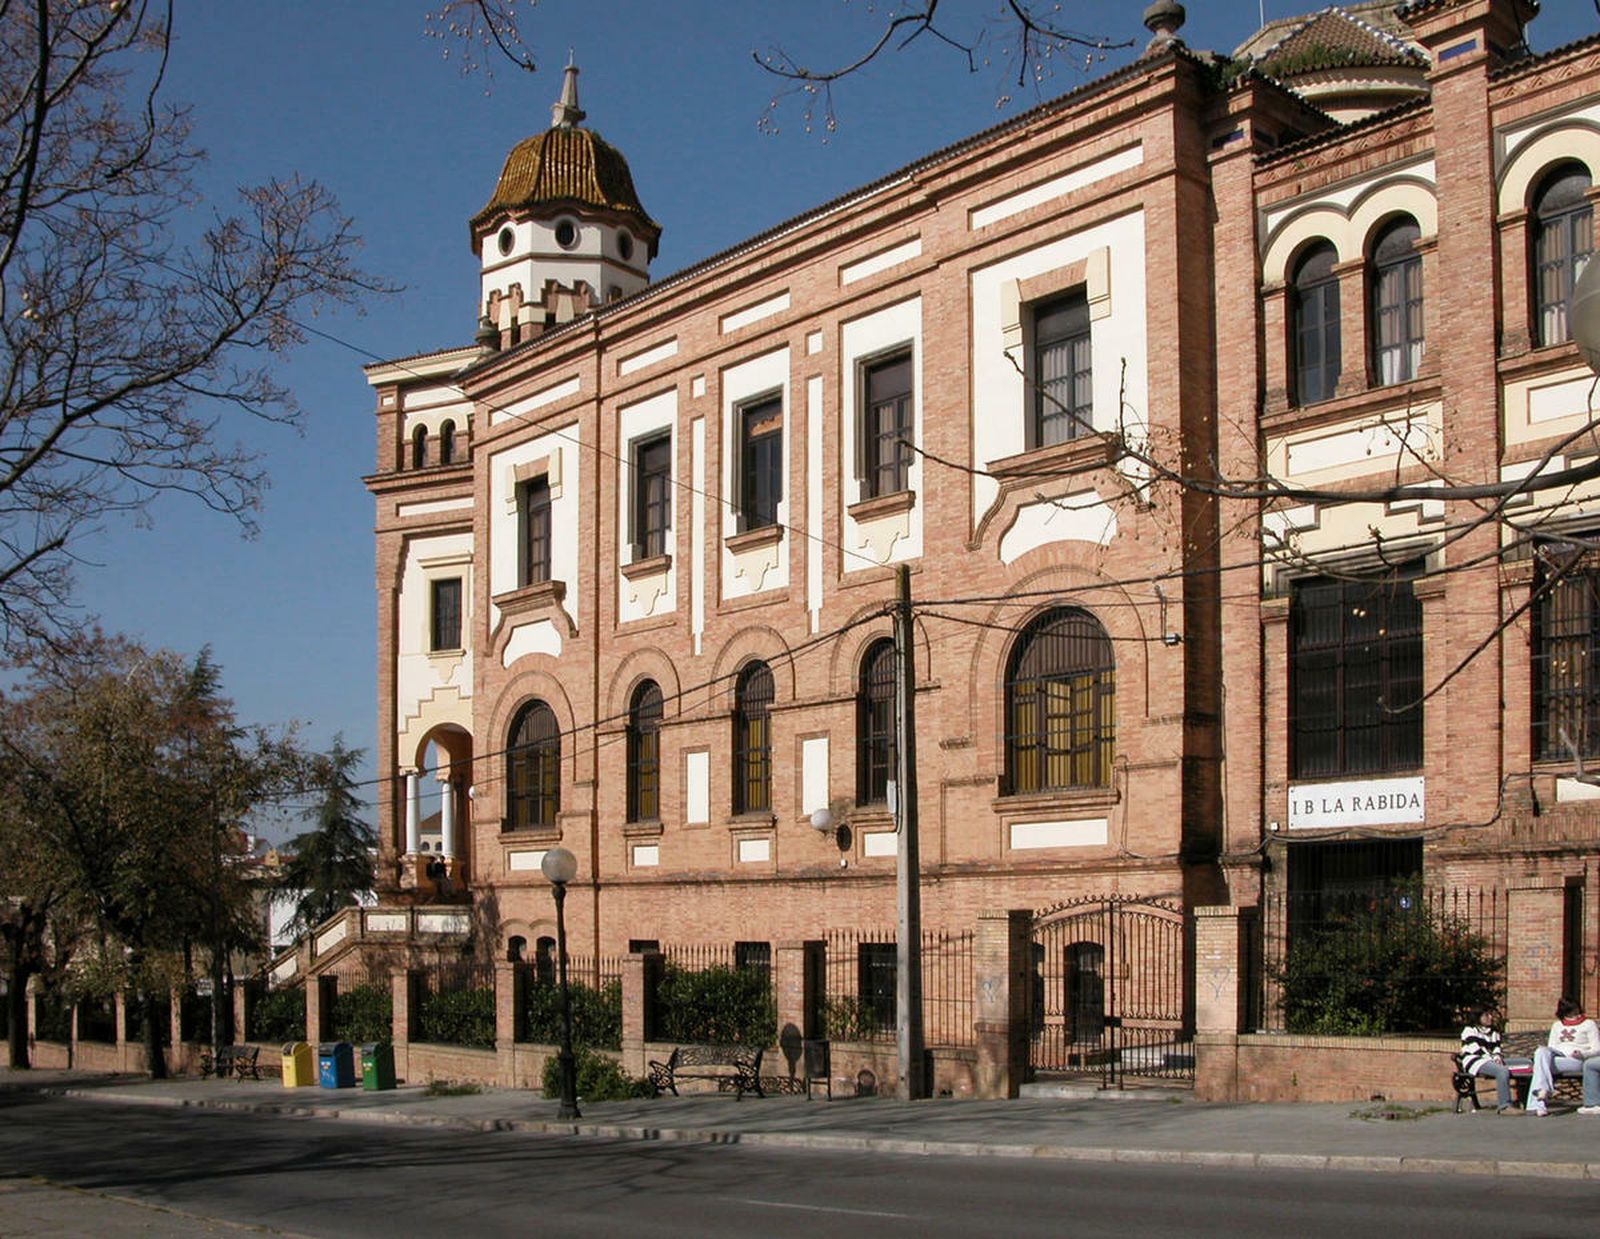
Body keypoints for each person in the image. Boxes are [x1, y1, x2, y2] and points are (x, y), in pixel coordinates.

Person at [1527, 996, 1600, 1116]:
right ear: (1564, 1013)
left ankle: (1537, 1104)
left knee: (1539, 1067)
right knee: (1541, 1052)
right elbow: (1551, 1047)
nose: (1575, 1015)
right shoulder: (1557, 1025)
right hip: (1558, 1056)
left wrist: (1583, 1054)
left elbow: (1597, 1049)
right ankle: (1543, 1092)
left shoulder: (1589, 1024)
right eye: (1571, 1013)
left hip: (1575, 1059)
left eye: (1576, 1011)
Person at [1459, 1008, 1527, 1113]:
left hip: (1491, 1060)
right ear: (1478, 1017)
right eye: (1486, 1015)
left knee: (1526, 1064)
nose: (1490, 1017)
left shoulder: (1494, 1032)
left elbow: (1497, 1048)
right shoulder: (1469, 1030)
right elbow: (1476, 1050)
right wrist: (1492, 1059)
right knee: (1502, 1071)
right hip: (1475, 1061)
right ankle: (1504, 1106)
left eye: (1490, 1015)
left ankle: (1528, 1101)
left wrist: (1497, 1057)